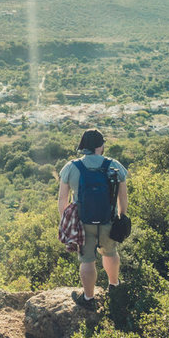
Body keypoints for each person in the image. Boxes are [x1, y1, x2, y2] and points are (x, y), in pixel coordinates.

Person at [57, 128, 129, 308]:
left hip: (82, 222)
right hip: (108, 219)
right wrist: (122, 216)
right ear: (100, 146)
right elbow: (123, 196)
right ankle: (114, 286)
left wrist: (66, 222)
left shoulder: (71, 167)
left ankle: (89, 299)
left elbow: (62, 199)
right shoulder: (114, 165)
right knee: (110, 253)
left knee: (87, 259)